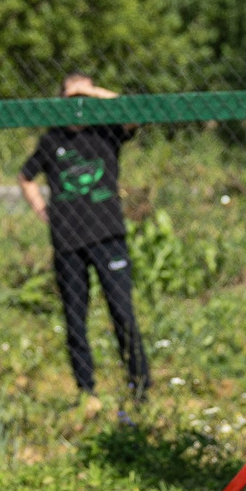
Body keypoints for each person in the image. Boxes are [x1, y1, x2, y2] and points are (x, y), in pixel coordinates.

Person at [19, 74, 151, 412]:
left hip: (107, 236)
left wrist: (92, 92)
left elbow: (135, 112)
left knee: (122, 313)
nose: (77, 105)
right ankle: (86, 391)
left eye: (83, 99)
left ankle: (139, 388)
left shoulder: (106, 131)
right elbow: (25, 176)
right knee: (75, 318)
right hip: (68, 242)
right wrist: (41, 209)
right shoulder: (52, 141)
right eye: (71, 98)